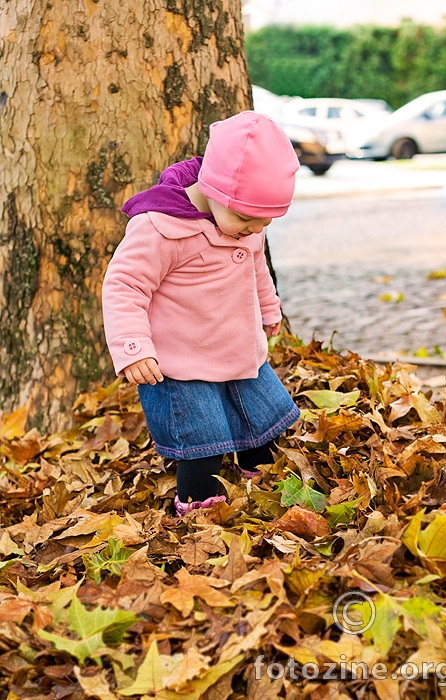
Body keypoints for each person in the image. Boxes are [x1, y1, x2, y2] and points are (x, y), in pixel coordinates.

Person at [102, 110, 301, 516]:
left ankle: (260, 483)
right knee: (202, 443)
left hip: (237, 350)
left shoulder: (246, 227)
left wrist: (268, 306)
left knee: (263, 424)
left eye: (261, 223)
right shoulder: (161, 227)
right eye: (244, 219)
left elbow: (255, 267)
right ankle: (200, 510)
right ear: (211, 189)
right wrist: (134, 347)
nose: (251, 229)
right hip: (182, 362)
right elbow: (125, 285)